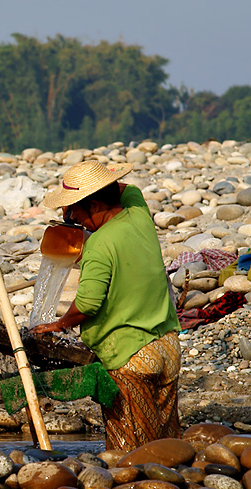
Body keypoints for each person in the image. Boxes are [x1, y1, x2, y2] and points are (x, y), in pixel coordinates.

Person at [31, 160, 182, 451]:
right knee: (167, 444)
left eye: (76, 210)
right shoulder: (138, 213)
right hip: (166, 347)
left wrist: (60, 324)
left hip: (131, 358)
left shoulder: (100, 245)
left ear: (96, 204)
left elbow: (88, 303)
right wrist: (79, 199)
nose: (74, 218)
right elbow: (128, 188)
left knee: (130, 451)